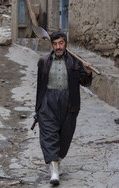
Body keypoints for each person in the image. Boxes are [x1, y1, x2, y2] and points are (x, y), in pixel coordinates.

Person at [35, 31, 93, 185]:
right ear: (52, 45)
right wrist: (38, 109)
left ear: (65, 44)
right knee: (48, 136)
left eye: (60, 43)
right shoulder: (43, 61)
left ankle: (58, 161)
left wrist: (86, 72)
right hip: (48, 102)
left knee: (65, 138)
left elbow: (85, 82)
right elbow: (39, 88)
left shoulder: (75, 62)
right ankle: (53, 170)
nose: (58, 47)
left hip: (69, 103)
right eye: (55, 44)